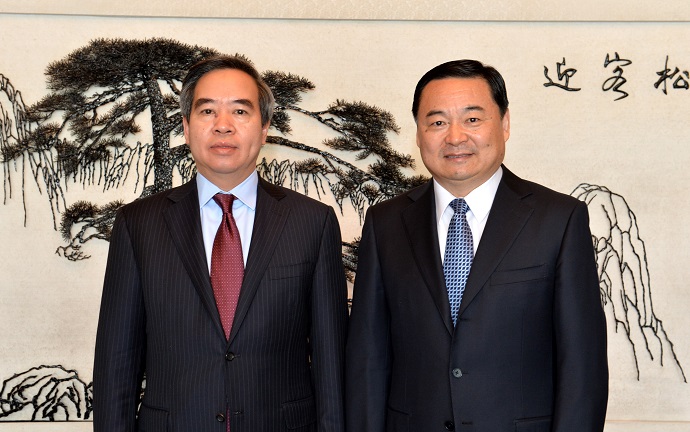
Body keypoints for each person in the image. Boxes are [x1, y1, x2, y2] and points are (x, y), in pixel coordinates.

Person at [345, 59, 608, 431]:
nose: (455, 137)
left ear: (504, 123)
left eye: (472, 119)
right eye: (437, 122)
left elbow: (583, 366)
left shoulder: (558, 220)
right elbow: (368, 359)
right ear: (418, 134)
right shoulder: (385, 223)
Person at [93, 55, 348, 432]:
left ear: (264, 127)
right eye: (207, 111)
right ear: (186, 126)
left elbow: (332, 365)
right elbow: (117, 365)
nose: (223, 125)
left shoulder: (312, 222)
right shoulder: (138, 224)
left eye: (240, 111)